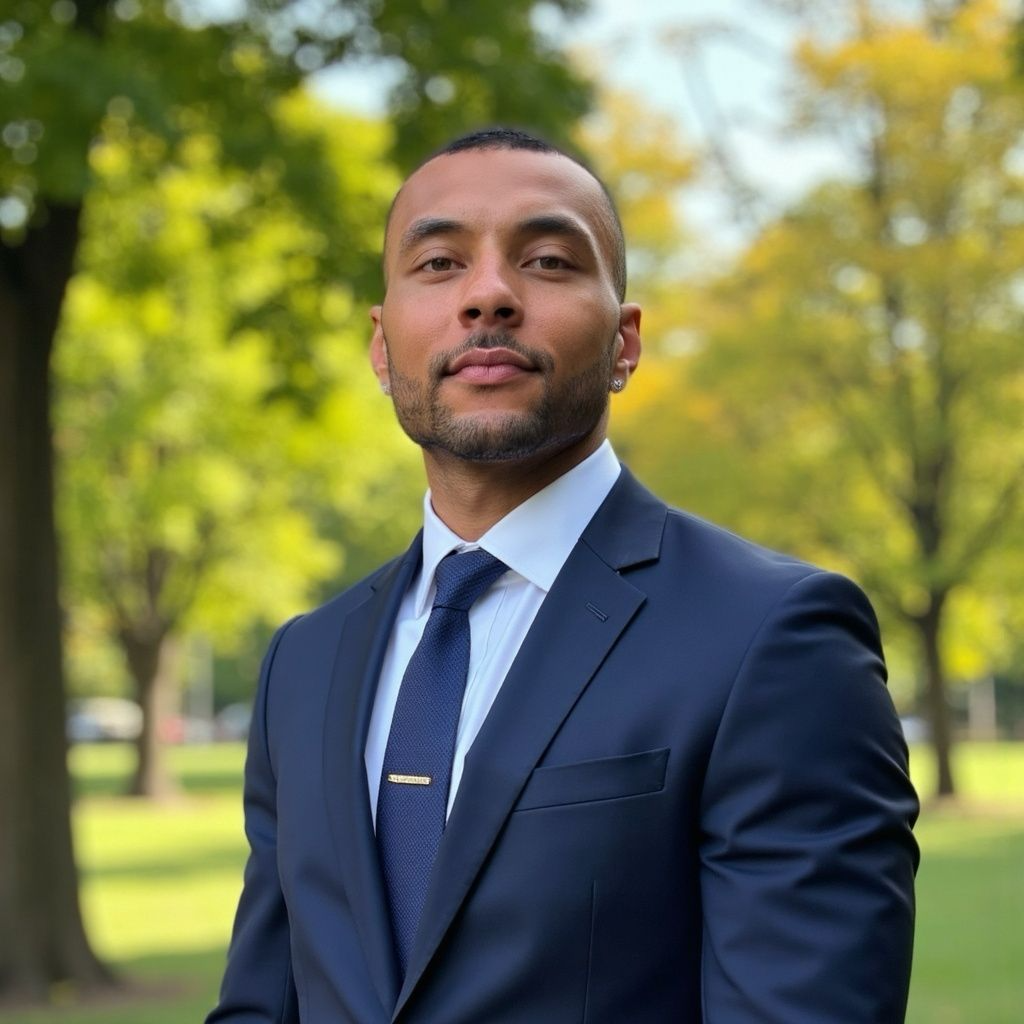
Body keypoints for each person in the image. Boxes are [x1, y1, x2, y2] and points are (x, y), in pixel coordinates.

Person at [207, 127, 919, 1024]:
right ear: (382, 350)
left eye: (546, 260)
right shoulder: (302, 666)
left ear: (625, 344)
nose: (489, 295)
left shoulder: (773, 639)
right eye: (438, 263)